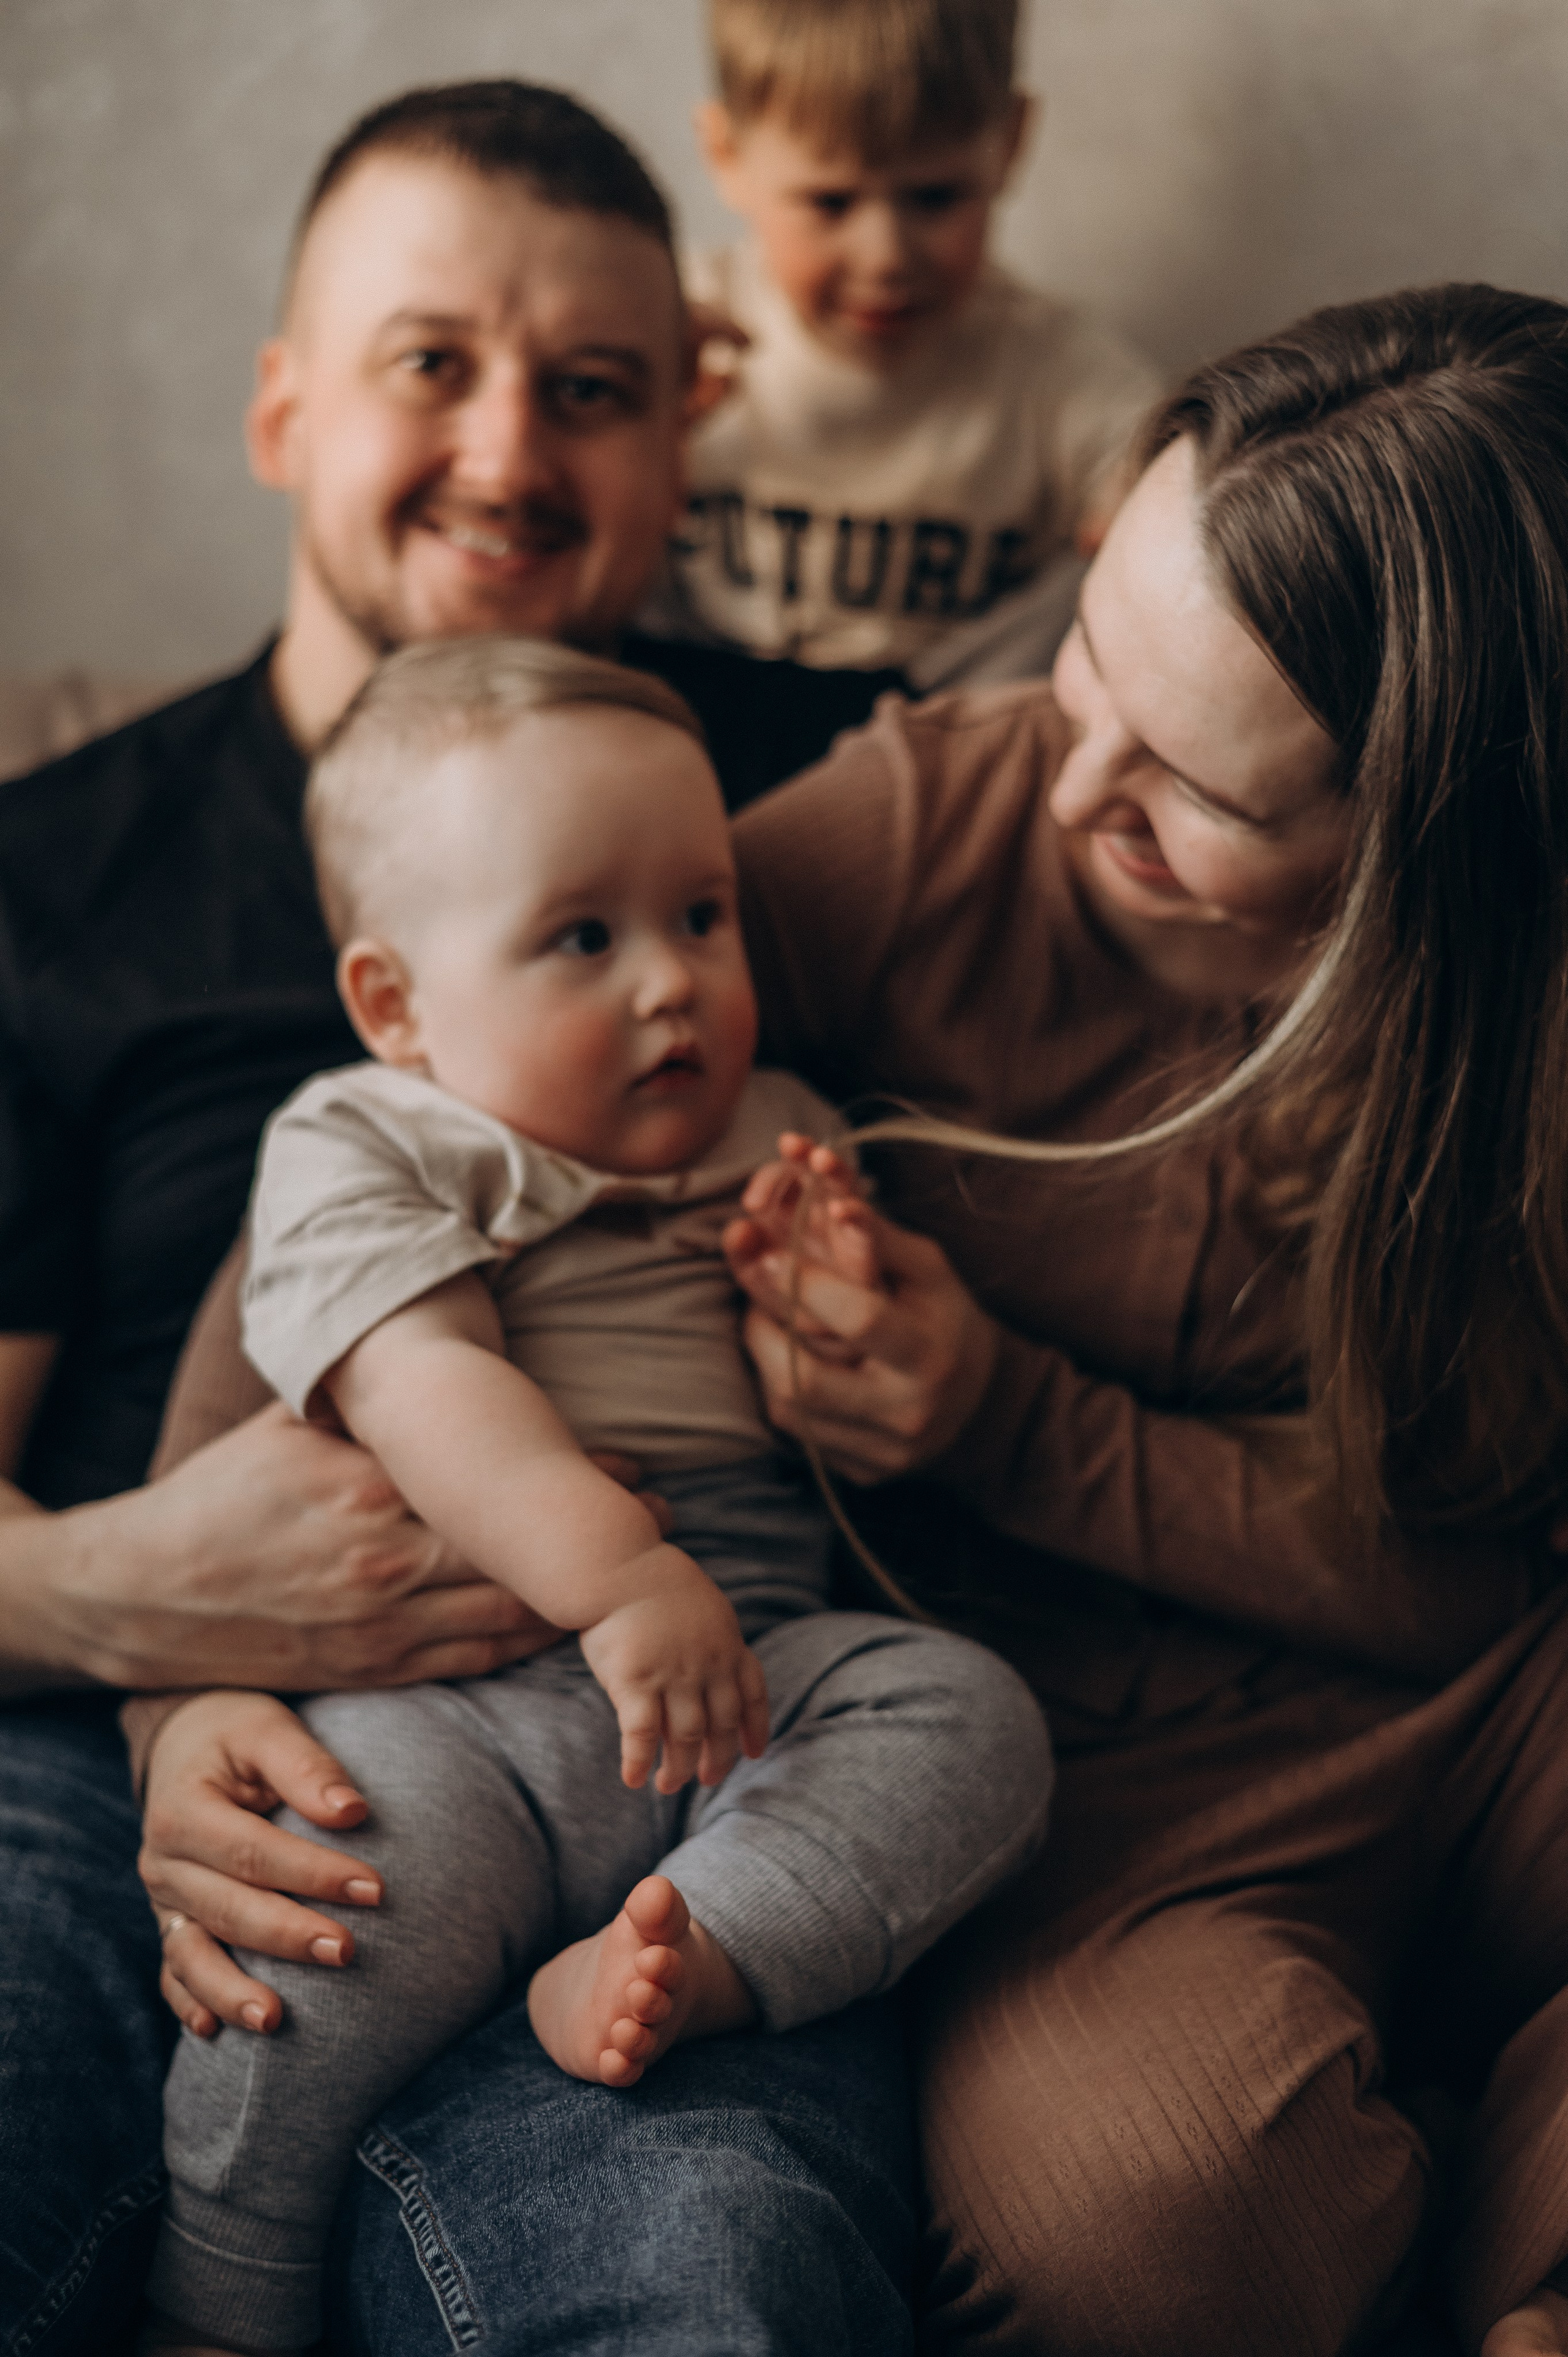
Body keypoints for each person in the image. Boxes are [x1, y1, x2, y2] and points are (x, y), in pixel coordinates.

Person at [0, 81, 932, 2356]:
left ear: (686, 433)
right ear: (280, 404)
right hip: (125, 1753)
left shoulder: (828, 801)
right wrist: (135, 1612)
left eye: (594, 389)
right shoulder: (48, 875)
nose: (511, 452)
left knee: (705, 2274)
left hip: (688, 1762)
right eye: (432, 361)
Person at [713, 282, 1568, 2353]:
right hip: (1093, 1789)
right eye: (1087, 649)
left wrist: (1011, 1410)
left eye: (1187, 783)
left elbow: (1473, 1598)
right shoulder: (930, 829)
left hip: (1496, 1700)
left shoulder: (1523, 1023)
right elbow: (428, 1122)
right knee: (1156, 2216)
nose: (1069, 768)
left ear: (1419, 851)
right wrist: (197, 1672)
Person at [138, 635, 1049, 2356]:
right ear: (397, 1005)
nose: (672, 985)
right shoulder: (366, 1143)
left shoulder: (780, 1126)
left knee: (968, 1715)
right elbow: (425, 1385)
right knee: (311, 1940)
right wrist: (624, 1578)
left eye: (703, 916)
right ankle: (220, 2301)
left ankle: (690, 1952)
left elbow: (859, 1420)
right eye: (584, 938)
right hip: (460, 1707)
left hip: (747, 1692)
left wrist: (838, 1301)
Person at [637, 0, 1159, 692]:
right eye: (830, 203)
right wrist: (633, 407)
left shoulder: (1051, 370)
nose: (884, 257)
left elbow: (1180, 464)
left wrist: (1149, 500)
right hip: (687, 698)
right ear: (726, 156)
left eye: (936, 198)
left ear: (1009, 143)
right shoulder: (673, 322)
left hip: (931, 732)